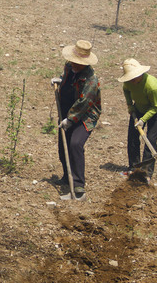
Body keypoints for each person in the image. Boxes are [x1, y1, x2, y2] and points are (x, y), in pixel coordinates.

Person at [50, 40, 101, 201]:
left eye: (79, 64)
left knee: (75, 144)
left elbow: (84, 103)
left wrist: (70, 120)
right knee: (62, 145)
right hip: (66, 111)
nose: (75, 65)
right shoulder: (69, 66)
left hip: (85, 115)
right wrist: (59, 80)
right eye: (74, 62)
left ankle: (78, 187)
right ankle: (67, 176)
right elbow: (66, 77)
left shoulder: (91, 80)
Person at [117, 58, 157, 181]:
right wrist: (130, 105)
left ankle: (146, 173)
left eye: (134, 78)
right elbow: (126, 90)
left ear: (140, 74)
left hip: (156, 110)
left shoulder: (151, 85)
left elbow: (155, 107)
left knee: (150, 139)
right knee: (132, 137)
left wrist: (143, 120)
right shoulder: (129, 82)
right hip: (138, 108)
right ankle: (134, 167)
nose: (133, 81)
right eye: (130, 78)